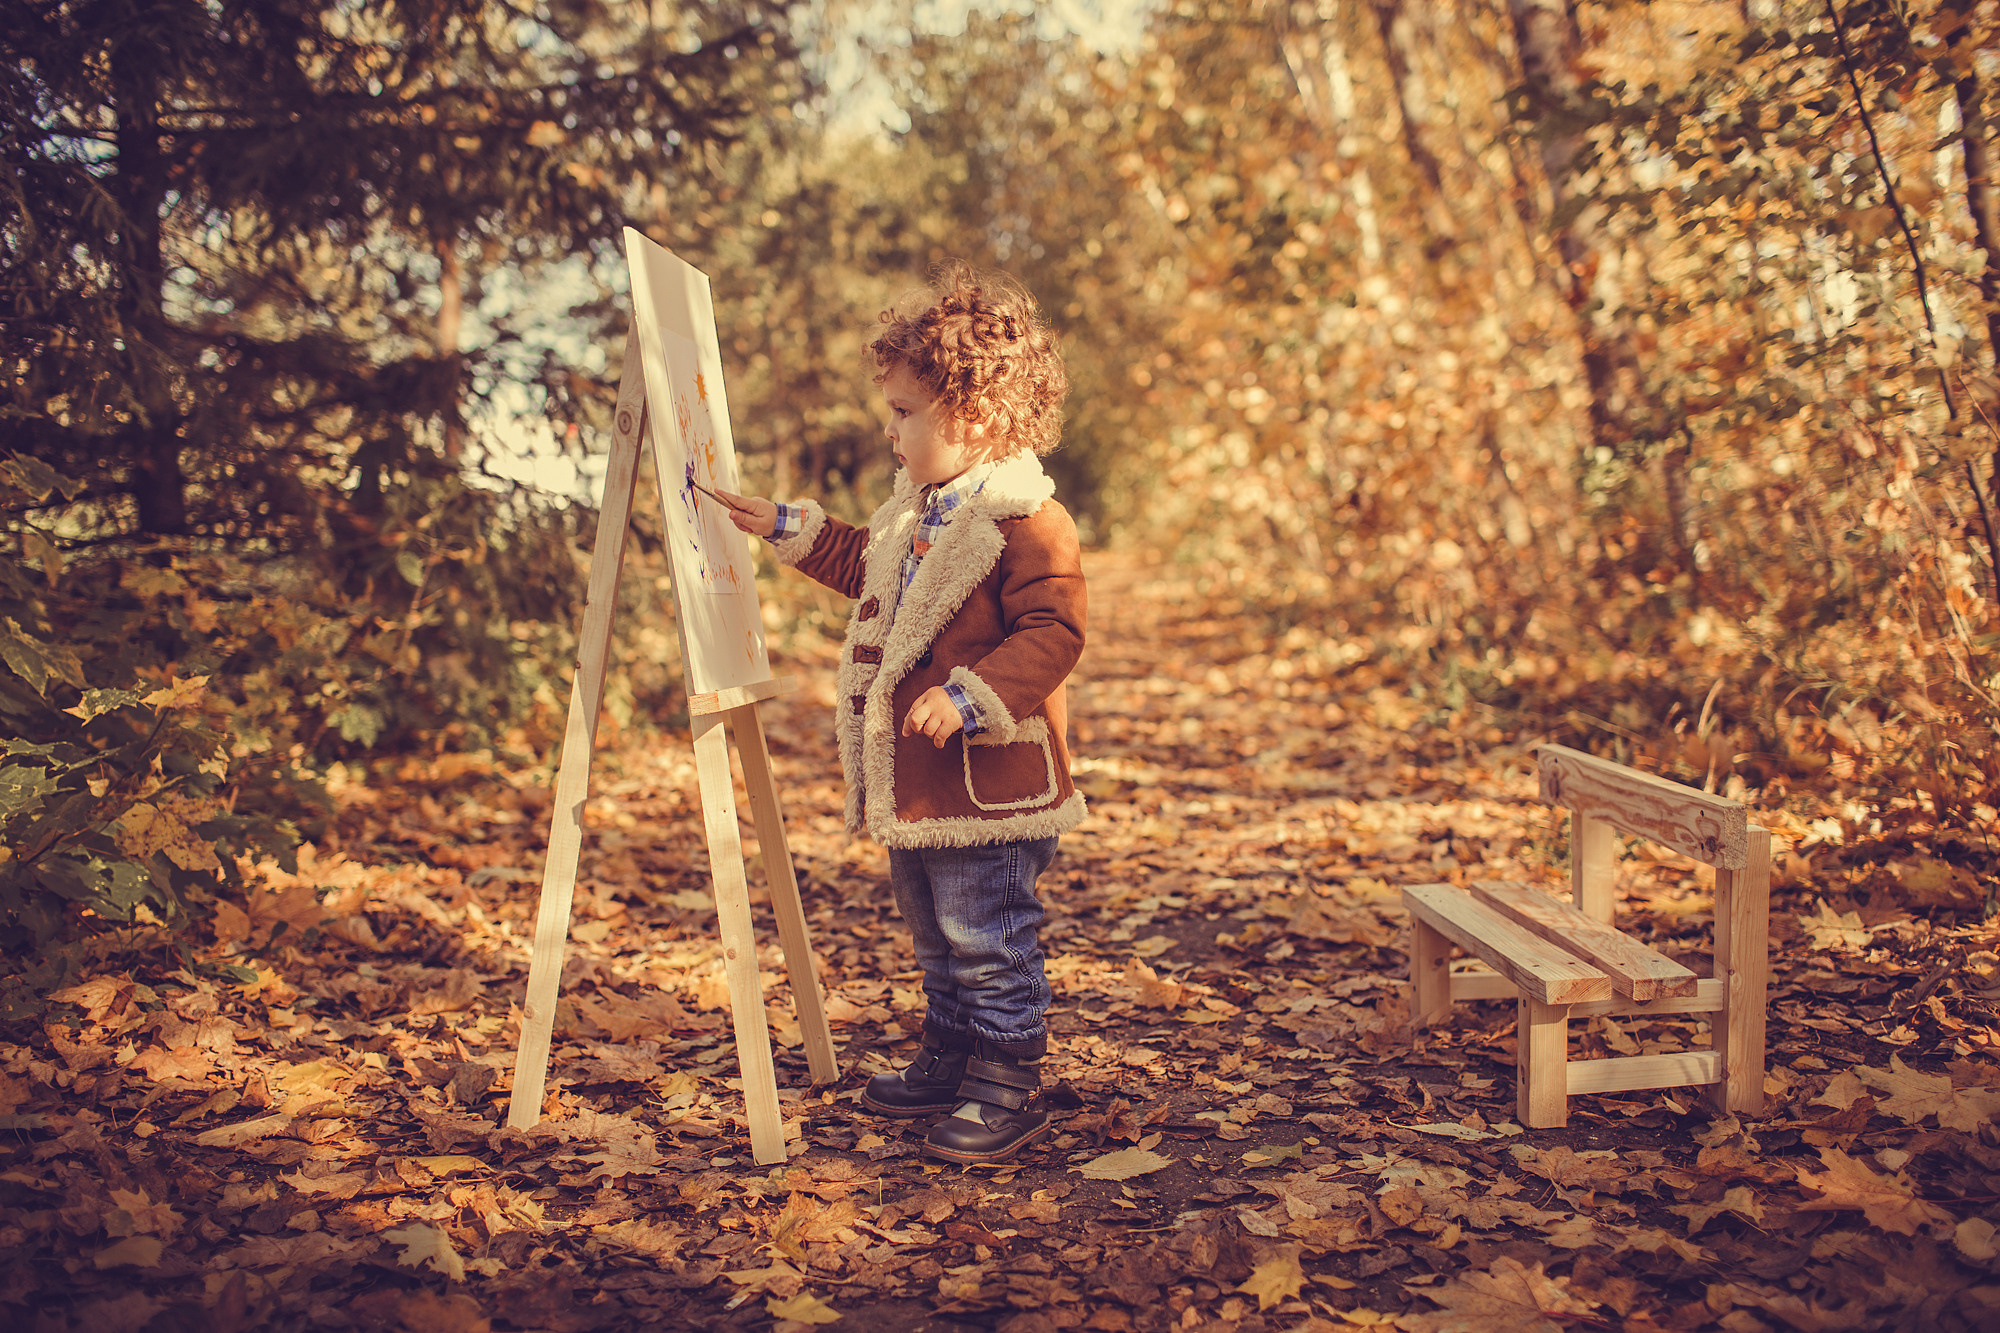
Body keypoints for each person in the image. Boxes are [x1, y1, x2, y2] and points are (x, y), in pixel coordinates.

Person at [717, 262, 1085, 1164]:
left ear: (977, 415)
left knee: (987, 932)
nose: (889, 429)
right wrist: (783, 524)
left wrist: (971, 696)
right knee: (935, 932)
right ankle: (952, 1049)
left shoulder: (1026, 517)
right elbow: (859, 566)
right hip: (917, 785)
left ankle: (1007, 1077)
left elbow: (1054, 629)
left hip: (986, 782)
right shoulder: (910, 514)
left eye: (905, 411)